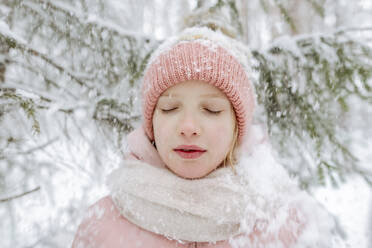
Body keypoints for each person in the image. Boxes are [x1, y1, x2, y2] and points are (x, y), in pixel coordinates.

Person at [72, 27, 334, 248]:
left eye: (211, 110)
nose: (188, 127)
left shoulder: (285, 226)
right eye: (170, 109)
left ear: (237, 126)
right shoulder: (103, 227)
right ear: (151, 122)